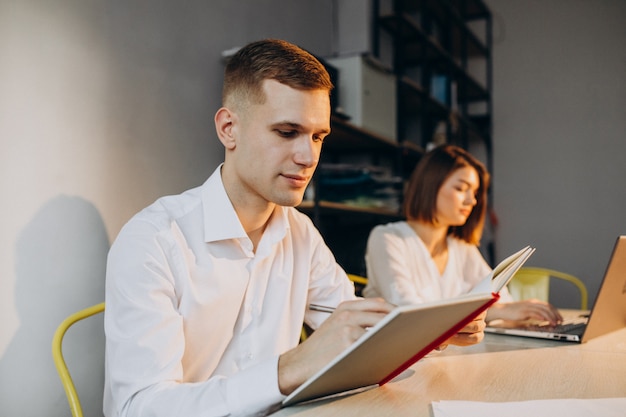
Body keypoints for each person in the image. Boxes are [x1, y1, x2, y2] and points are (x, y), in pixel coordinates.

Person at [103, 40, 485, 417]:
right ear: (228, 129)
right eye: (287, 132)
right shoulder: (153, 240)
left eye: (318, 137)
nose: (308, 157)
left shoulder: (300, 232)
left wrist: (429, 333)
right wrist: (288, 369)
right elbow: (139, 408)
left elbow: (356, 331)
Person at [363, 144, 562, 326]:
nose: (471, 201)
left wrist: (508, 309)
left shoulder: (461, 246)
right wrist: (498, 311)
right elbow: (410, 314)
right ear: (430, 185)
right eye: (461, 188)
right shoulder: (387, 238)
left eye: (474, 192)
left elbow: (499, 297)